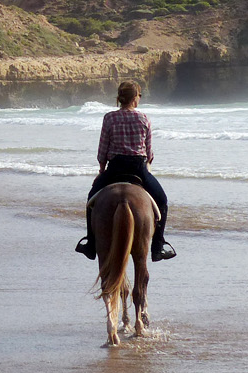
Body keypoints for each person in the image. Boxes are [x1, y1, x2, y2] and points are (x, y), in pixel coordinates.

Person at [75, 81, 176, 261]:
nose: (140, 98)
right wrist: (147, 164)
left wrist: (101, 169)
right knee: (162, 200)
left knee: (91, 200)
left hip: (115, 168)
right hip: (138, 168)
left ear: (120, 98)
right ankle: (158, 246)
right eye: (139, 95)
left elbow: (102, 149)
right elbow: (149, 152)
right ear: (135, 97)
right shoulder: (144, 118)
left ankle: (90, 244)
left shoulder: (109, 118)